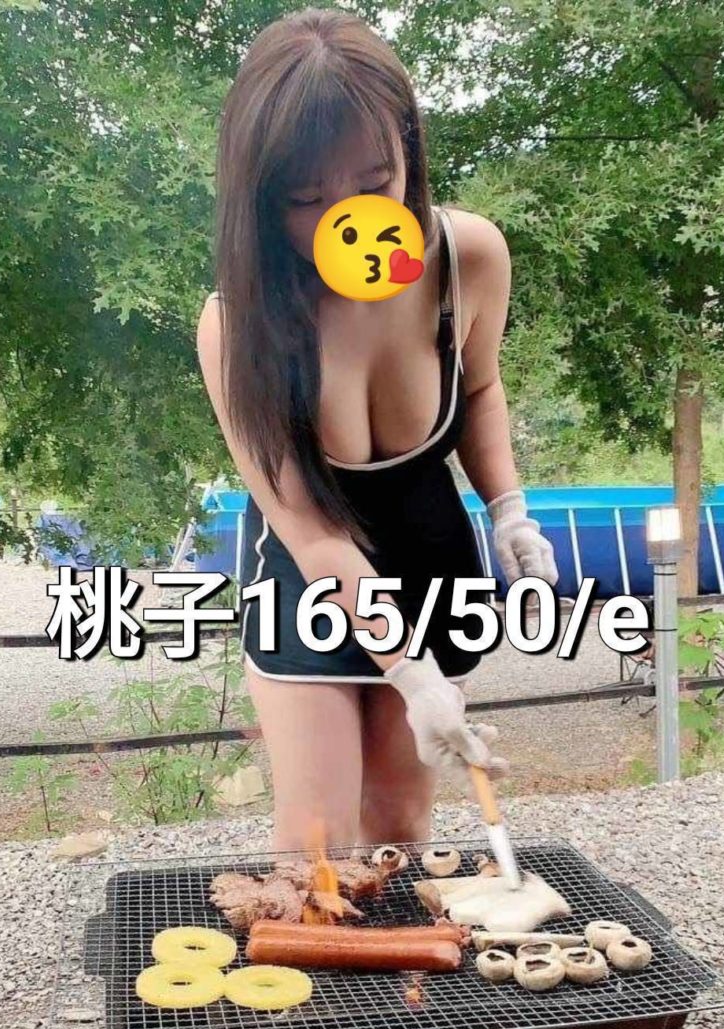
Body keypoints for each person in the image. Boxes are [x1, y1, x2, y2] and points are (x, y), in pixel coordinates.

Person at [196, 8, 557, 851]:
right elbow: (312, 533)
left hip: (432, 559)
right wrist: (410, 674)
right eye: (308, 199)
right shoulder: (236, 324)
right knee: (316, 837)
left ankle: (403, 948)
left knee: (399, 827)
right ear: (262, 200)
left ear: (409, 152)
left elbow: (480, 387)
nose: (349, 219)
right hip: (309, 572)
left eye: (376, 181)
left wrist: (509, 508)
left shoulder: (468, 257)